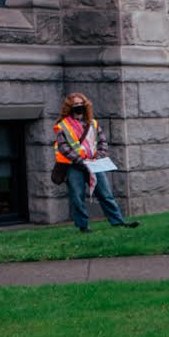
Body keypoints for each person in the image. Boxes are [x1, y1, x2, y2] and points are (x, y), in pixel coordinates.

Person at [52, 92, 138, 233]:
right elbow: (63, 147)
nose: (78, 107)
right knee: (77, 197)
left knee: (106, 194)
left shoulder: (93, 123)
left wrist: (99, 155)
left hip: (94, 164)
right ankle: (83, 226)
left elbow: (102, 142)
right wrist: (80, 161)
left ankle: (118, 222)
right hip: (75, 166)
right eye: (75, 105)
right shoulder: (63, 125)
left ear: (85, 106)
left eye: (81, 104)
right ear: (69, 107)